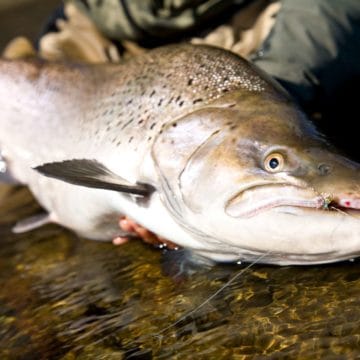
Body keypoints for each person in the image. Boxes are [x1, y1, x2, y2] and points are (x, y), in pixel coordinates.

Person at [5, 0, 360, 247]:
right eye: (273, 163)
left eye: (274, 162)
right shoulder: (75, 31)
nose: (274, 164)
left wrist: (277, 92)